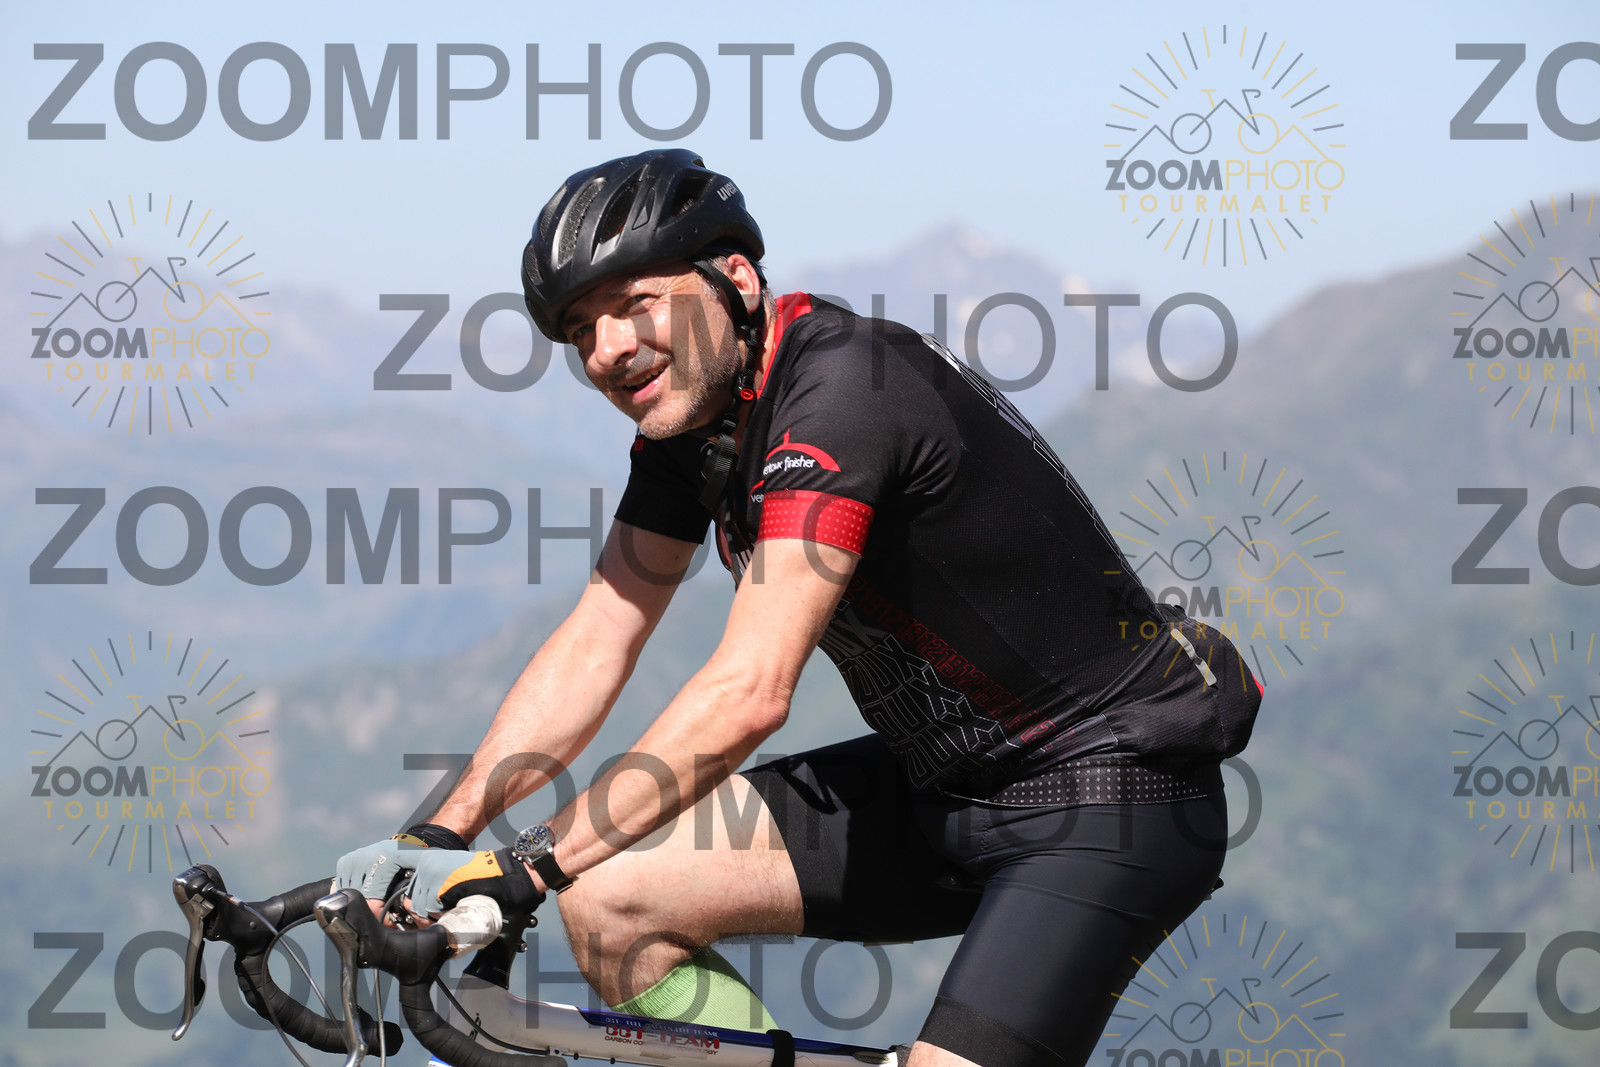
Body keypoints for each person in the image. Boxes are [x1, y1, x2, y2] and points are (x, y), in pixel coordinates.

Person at [336, 149, 1262, 1067]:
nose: (607, 349)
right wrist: (442, 834)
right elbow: (600, 634)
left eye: (634, 303)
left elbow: (749, 692)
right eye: (581, 328)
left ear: (736, 280)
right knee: (612, 899)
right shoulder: (694, 426)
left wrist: (529, 863)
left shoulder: (845, 391)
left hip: (1105, 795)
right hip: (936, 787)